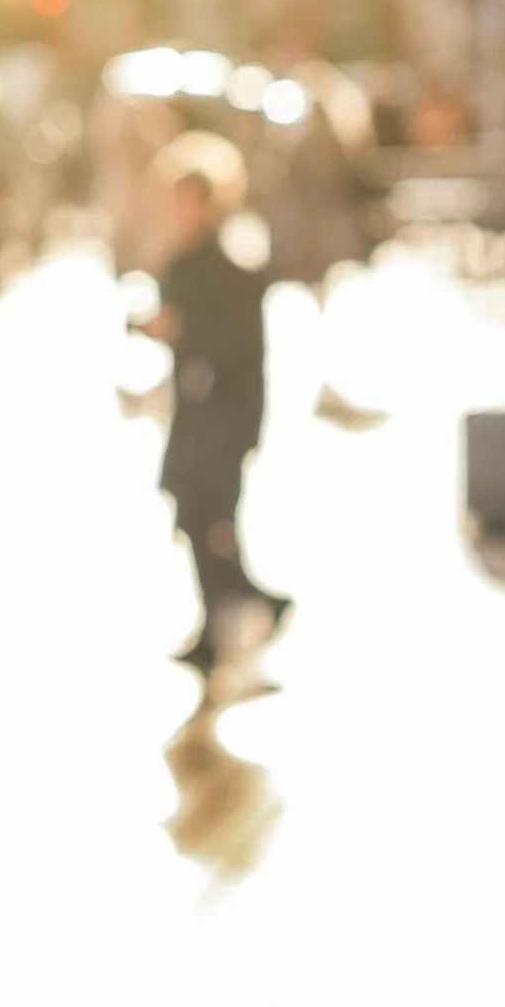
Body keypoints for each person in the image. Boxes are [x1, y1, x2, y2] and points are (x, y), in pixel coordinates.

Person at [149, 169, 287, 675]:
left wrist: (181, 330)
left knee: (207, 518)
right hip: (198, 410)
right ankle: (251, 603)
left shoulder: (224, 267)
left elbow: (232, 341)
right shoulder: (185, 263)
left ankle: (231, 615)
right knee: (197, 516)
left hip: (221, 413)